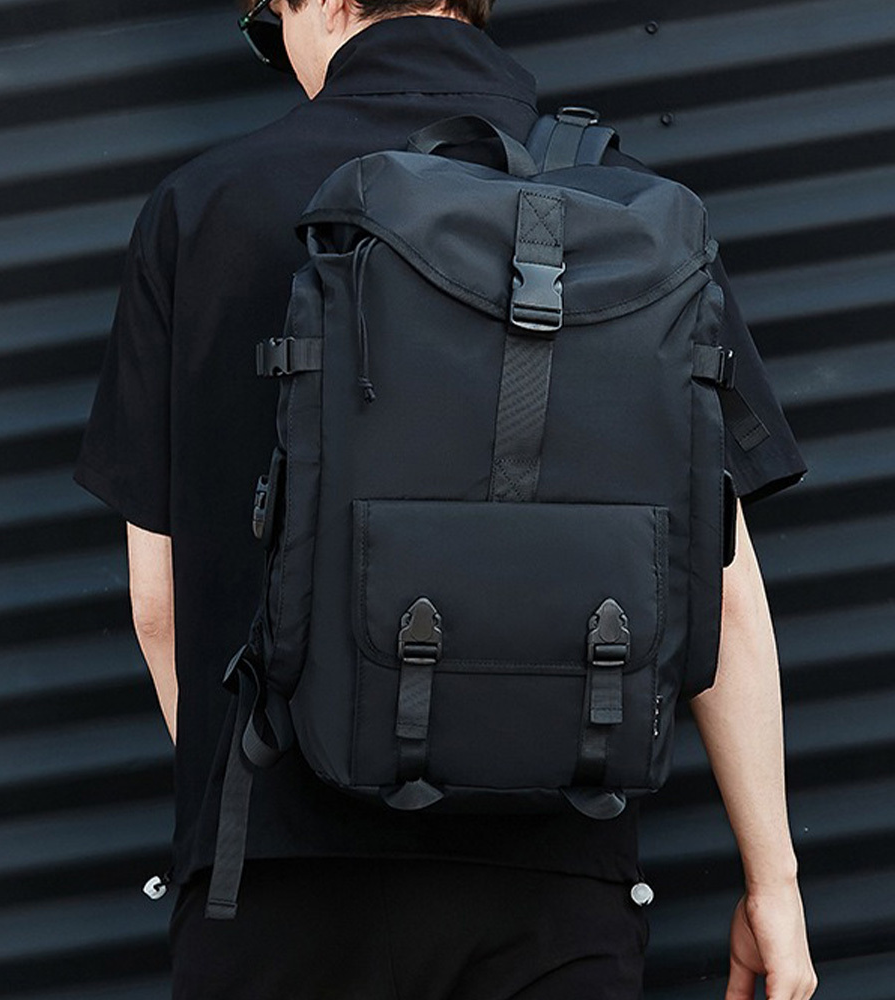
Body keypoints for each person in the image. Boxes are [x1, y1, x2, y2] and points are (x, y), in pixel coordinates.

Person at [74, 1, 818, 997]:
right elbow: (715, 586)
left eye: (267, 21)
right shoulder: (635, 214)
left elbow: (158, 606)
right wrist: (773, 883)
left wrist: (258, 800)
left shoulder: (203, 206)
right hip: (554, 886)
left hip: (278, 890)